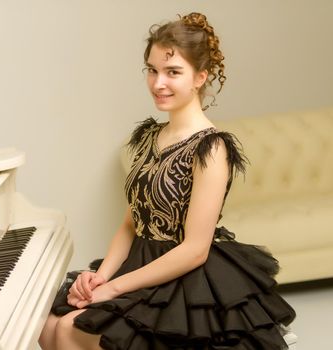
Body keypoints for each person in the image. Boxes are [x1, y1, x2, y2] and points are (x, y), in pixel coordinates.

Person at [39, 12, 296, 350]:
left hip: (182, 276)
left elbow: (194, 250)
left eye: (173, 72)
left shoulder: (211, 147)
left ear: (200, 77)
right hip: (138, 263)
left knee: (71, 329)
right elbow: (131, 223)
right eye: (152, 70)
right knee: (49, 325)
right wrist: (102, 276)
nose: (158, 83)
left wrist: (114, 288)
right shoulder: (148, 137)